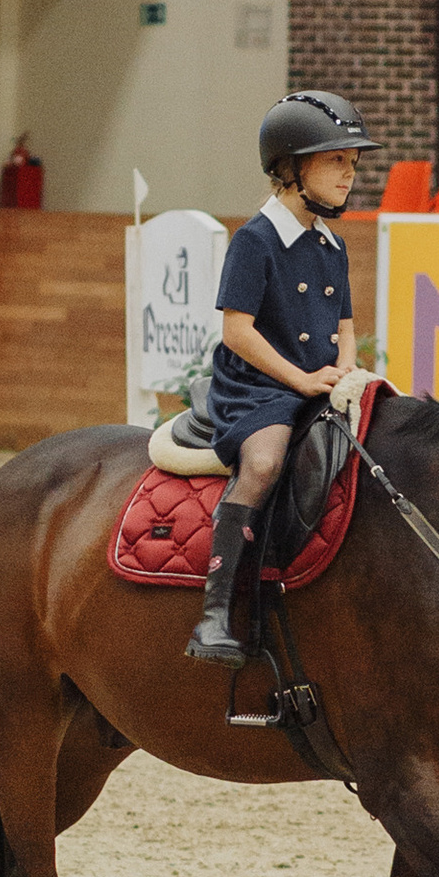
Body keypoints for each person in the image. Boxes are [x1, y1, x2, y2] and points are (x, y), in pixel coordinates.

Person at [185, 90, 373, 664]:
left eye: (352, 162)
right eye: (336, 160)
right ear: (292, 168)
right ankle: (214, 614)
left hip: (317, 380)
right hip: (258, 388)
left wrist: (345, 369)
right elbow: (237, 332)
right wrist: (302, 380)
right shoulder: (255, 240)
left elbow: (345, 326)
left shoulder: (331, 245)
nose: (349, 174)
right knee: (265, 463)